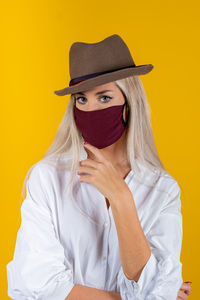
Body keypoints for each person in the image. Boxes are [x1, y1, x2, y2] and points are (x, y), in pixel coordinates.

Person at [6, 34, 192, 299]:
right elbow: (39, 287)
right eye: (81, 99)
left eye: (104, 98)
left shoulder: (162, 189)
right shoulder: (47, 178)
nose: (90, 108)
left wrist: (121, 198)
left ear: (129, 105)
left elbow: (158, 292)